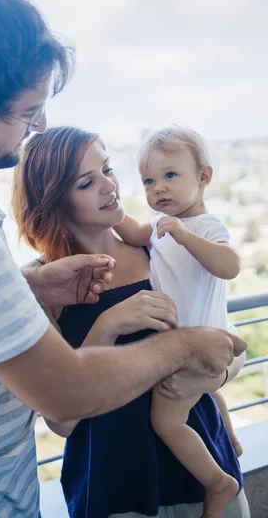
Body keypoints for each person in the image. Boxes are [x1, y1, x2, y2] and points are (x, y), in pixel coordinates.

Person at [0, 0, 246, 518]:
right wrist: (186, 346)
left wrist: (21, 284)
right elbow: (65, 400)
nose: (40, 123)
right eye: (25, 113)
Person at [12, 125, 250, 518]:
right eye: (88, 182)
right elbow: (61, 423)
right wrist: (108, 324)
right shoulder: (46, 287)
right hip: (115, 486)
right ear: (54, 201)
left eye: (107, 169)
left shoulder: (160, 246)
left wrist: (219, 377)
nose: (110, 186)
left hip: (202, 472)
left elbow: (224, 338)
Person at [114, 125, 244, 518]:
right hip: (190, 339)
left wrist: (187, 237)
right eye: (149, 181)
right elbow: (133, 230)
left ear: (203, 177)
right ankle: (232, 439)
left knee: (165, 420)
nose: (159, 189)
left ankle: (218, 482)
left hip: (200, 340)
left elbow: (231, 266)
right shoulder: (158, 226)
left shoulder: (205, 226)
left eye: (170, 175)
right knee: (206, 392)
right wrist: (112, 206)